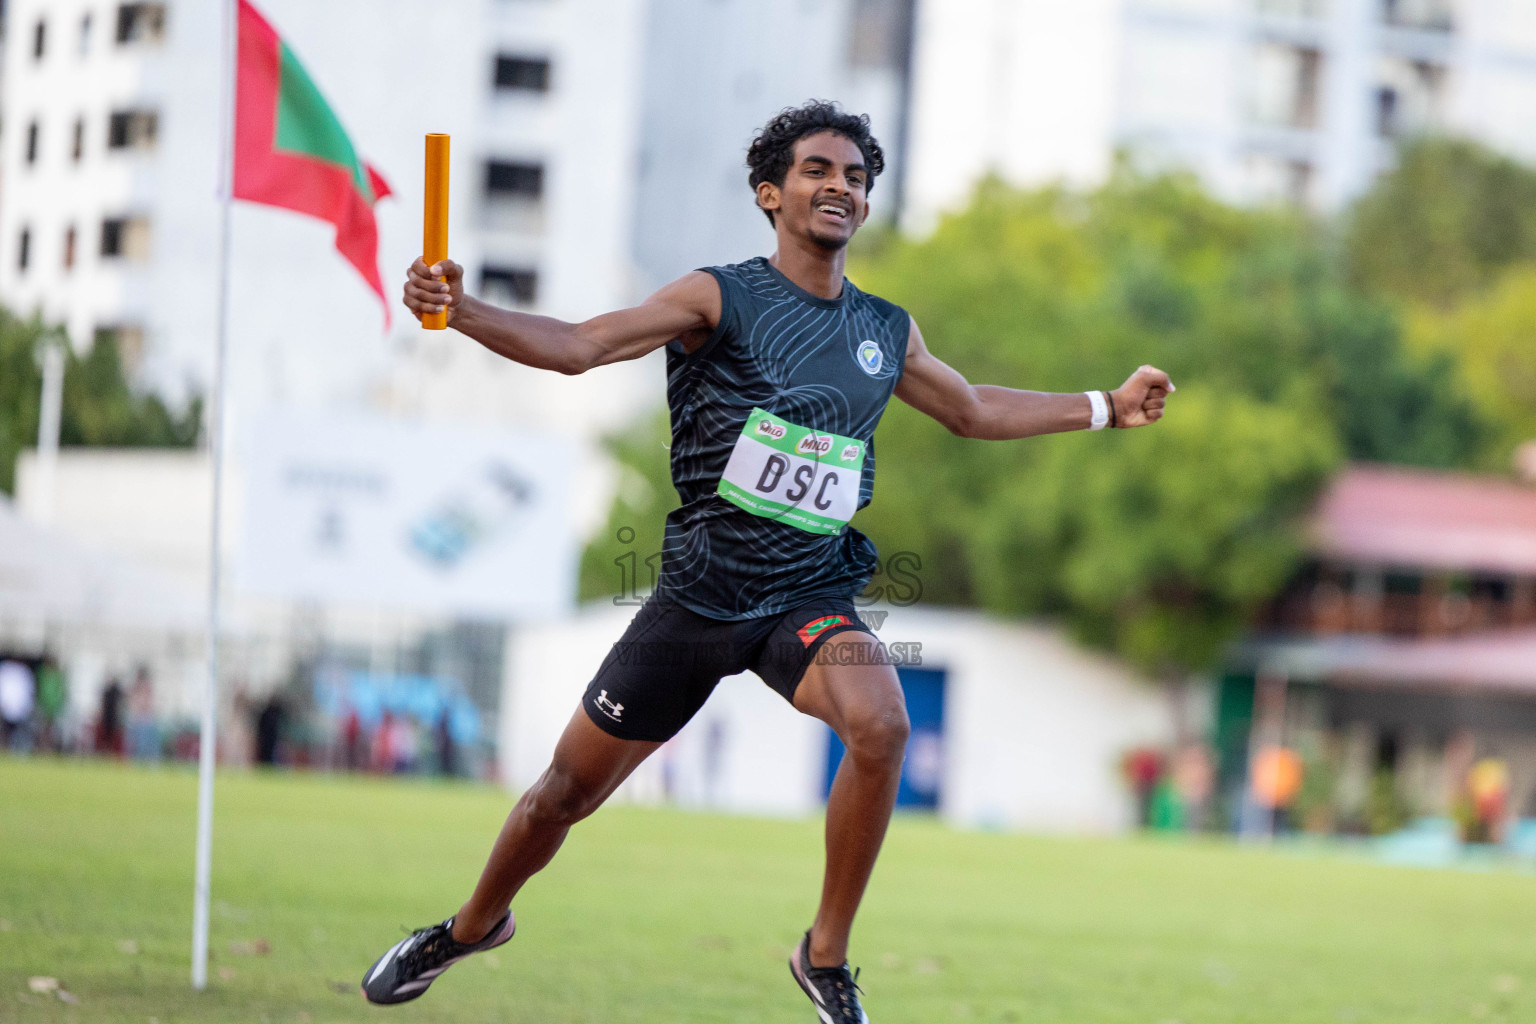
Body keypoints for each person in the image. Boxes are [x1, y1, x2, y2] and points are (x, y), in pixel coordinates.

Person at [361, 101, 1174, 1020]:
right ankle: (469, 927)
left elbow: (972, 408)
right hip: (699, 599)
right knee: (560, 796)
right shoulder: (718, 297)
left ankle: (823, 957)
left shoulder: (884, 329)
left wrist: (1105, 404)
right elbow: (582, 346)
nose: (841, 187)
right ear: (771, 192)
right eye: (820, 170)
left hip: (807, 593)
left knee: (883, 725)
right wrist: (462, 309)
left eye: (857, 177)